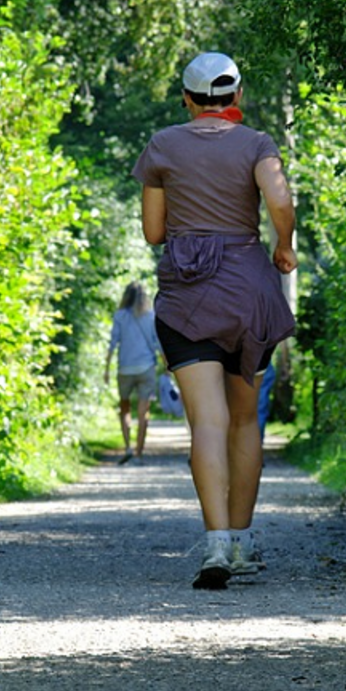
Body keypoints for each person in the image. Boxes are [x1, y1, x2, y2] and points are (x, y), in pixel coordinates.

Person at [131, 51, 297, 590]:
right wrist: (285, 246)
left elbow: (154, 234)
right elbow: (278, 196)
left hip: (187, 293)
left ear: (186, 98)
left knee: (207, 422)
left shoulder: (163, 146)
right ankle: (245, 543)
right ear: (237, 97)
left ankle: (216, 546)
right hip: (248, 293)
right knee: (245, 420)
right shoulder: (257, 145)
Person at [104, 281, 163, 465]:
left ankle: (128, 446)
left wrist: (106, 368)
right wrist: (167, 365)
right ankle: (138, 453)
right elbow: (157, 343)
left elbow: (113, 342)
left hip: (125, 368)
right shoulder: (150, 316)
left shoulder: (119, 316)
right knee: (143, 412)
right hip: (146, 367)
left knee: (124, 408)